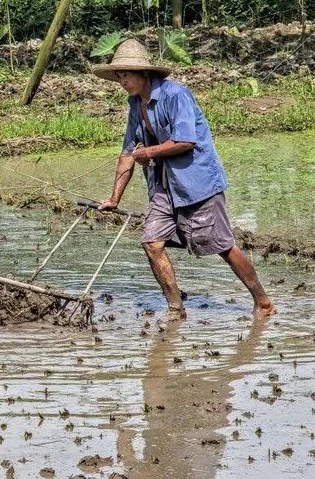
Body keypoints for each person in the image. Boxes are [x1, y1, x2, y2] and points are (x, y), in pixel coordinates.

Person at [92, 39, 274, 318]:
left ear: (144, 73)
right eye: (119, 75)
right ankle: (176, 309)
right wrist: (114, 198)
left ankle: (262, 301)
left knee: (223, 246)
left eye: (126, 74)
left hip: (197, 184)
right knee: (152, 244)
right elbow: (128, 152)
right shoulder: (134, 105)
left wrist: (148, 152)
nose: (122, 80)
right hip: (164, 186)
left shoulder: (175, 95)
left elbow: (186, 140)